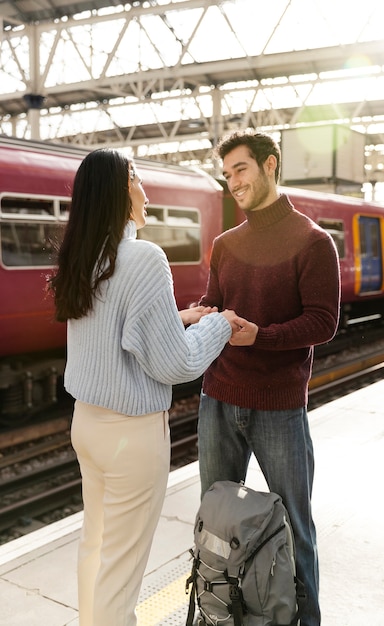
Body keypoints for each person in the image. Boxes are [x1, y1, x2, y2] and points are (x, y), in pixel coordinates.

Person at [48, 147, 246, 626]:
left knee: (96, 550)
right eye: (136, 177)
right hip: (130, 438)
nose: (145, 189)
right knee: (122, 573)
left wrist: (178, 317)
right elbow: (176, 363)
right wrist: (219, 326)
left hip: (89, 426)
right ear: (119, 191)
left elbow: (111, 331)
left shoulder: (86, 257)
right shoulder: (144, 258)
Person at [196, 129, 341, 626]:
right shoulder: (225, 245)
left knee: (297, 529)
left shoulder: (313, 241)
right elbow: (213, 306)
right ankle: (220, 617)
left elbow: (323, 321)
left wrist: (260, 334)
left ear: (270, 164)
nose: (232, 180)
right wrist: (192, 316)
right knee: (215, 523)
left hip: (279, 405)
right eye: (227, 172)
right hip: (217, 398)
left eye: (241, 169)